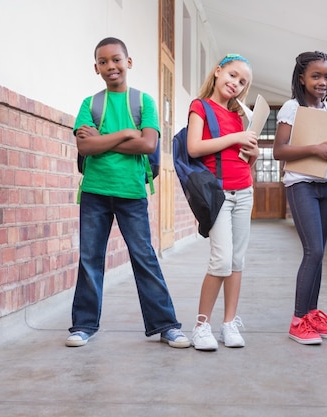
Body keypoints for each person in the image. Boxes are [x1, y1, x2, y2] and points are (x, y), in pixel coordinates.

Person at [67, 37, 189, 348]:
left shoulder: (143, 102)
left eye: (117, 59)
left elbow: (148, 144)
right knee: (90, 259)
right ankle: (83, 325)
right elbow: (84, 145)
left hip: (132, 192)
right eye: (104, 62)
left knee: (144, 257)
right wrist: (124, 134)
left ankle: (167, 325)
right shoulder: (90, 104)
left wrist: (103, 140)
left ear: (129, 62)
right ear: (96, 68)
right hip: (95, 192)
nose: (111, 66)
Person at [273, 51, 327, 345]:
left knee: (320, 253)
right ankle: (297, 320)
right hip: (301, 184)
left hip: (326, 185)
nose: (322, 81)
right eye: (316, 76)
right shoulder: (292, 108)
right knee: (313, 251)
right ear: (302, 78)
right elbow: (279, 150)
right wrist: (315, 149)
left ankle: (313, 314)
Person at [186, 54, 259, 351]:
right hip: (216, 193)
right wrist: (236, 138)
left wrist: (250, 149)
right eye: (232, 75)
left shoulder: (239, 116)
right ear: (218, 72)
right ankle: (201, 326)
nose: (236, 84)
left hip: (244, 190)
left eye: (242, 82)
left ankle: (229, 323)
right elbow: (194, 148)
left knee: (237, 260)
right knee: (221, 259)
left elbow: (244, 159)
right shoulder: (200, 107)